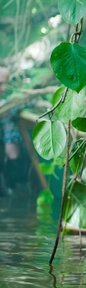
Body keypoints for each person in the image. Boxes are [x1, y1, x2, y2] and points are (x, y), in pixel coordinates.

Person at [0, 66, 22, 195]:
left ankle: (9, 185)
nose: (3, 88)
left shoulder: (9, 99)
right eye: (0, 84)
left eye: (5, 83)